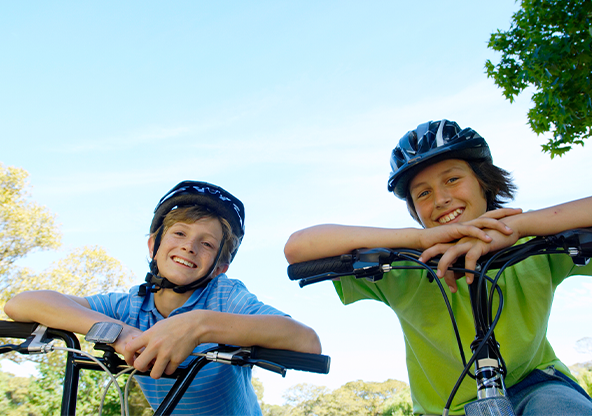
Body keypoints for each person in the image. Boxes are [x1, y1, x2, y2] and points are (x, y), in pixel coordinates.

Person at [284, 120, 592, 416]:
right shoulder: (405, 268)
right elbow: (298, 247)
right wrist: (418, 239)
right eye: (423, 193)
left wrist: (517, 226)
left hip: (538, 386)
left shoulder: (531, 244)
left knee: (557, 407)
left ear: (484, 183)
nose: (442, 199)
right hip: (445, 408)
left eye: (452, 179)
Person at [5, 180, 321, 416]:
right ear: (154, 245)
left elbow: (306, 341)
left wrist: (201, 325)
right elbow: (22, 303)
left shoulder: (224, 297)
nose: (189, 246)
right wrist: (118, 331)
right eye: (179, 233)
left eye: (207, 244)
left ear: (220, 267)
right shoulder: (130, 306)